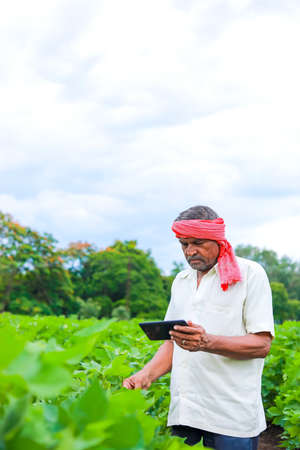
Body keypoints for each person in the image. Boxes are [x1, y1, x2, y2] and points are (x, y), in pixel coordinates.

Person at [123, 205, 274, 450]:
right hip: (186, 412)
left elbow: (261, 345)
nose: (190, 251)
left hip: (231, 415)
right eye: (184, 244)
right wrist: (145, 375)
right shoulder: (181, 281)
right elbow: (172, 343)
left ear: (218, 240)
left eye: (198, 242)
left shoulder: (250, 274)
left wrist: (207, 342)